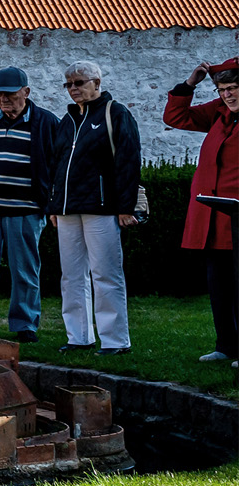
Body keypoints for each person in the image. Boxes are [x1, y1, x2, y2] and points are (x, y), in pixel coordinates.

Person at [45, 60, 140, 355]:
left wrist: (125, 206)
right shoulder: (68, 119)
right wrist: (52, 204)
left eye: (80, 83)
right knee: (71, 275)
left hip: (102, 208)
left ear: (97, 83)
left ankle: (114, 340)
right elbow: (56, 164)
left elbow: (128, 160)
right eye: (69, 84)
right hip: (67, 209)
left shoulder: (116, 113)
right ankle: (78, 336)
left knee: (105, 273)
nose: (74, 89)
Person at [0, 67, 57, 342]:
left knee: (25, 270)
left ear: (26, 93)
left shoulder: (46, 121)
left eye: (11, 94)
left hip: (26, 210)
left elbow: (53, 162)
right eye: (0, 94)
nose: (4, 100)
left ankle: (24, 325)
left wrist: (46, 203)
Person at [165, 58, 239, 365]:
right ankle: (226, 345)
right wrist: (190, 84)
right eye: (222, 89)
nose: (228, 95)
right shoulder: (218, 113)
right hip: (214, 217)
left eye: (234, 88)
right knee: (219, 285)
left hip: (237, 217)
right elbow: (176, 117)